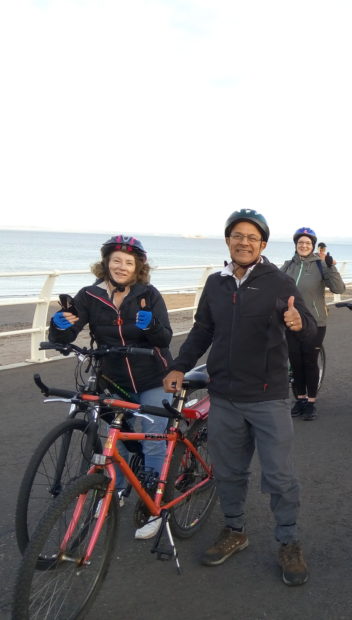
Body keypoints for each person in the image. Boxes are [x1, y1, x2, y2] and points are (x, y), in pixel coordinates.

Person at [162, 209, 316, 586]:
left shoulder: (278, 282)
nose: (244, 242)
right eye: (237, 235)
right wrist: (179, 365)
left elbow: (309, 328)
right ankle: (235, 530)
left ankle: (289, 541)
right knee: (229, 473)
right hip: (225, 395)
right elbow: (202, 330)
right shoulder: (217, 284)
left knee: (280, 476)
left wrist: (298, 324)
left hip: (268, 397)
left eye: (252, 237)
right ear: (228, 240)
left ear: (262, 244)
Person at [49, 234, 174, 540]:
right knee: (115, 440)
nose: (121, 266)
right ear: (106, 263)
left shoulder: (148, 294)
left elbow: (164, 339)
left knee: (153, 440)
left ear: (138, 267)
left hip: (152, 377)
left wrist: (151, 326)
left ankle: (152, 504)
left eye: (128, 262)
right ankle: (114, 491)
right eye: (116, 260)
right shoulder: (90, 296)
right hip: (113, 378)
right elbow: (65, 336)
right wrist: (59, 326)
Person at [280, 227, 347, 420]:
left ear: (313, 246)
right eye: (300, 242)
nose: (303, 245)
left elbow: (338, 288)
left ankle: (310, 402)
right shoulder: (287, 266)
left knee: (309, 362)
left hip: (315, 322)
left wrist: (331, 266)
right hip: (291, 321)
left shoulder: (320, 265)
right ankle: (300, 399)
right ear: (295, 245)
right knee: (295, 361)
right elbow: (274, 286)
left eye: (307, 243)